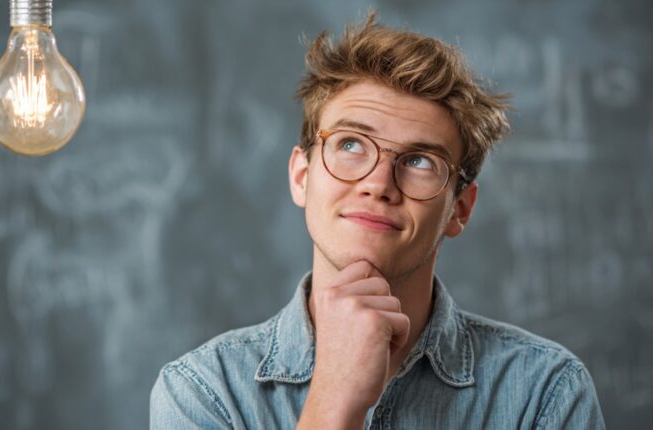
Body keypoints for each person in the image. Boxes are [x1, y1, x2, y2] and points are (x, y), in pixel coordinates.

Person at [150, 12, 605, 429]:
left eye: (421, 161)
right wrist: (334, 397)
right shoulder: (202, 391)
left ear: (459, 208)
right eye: (350, 145)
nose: (379, 183)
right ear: (301, 176)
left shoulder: (546, 391)